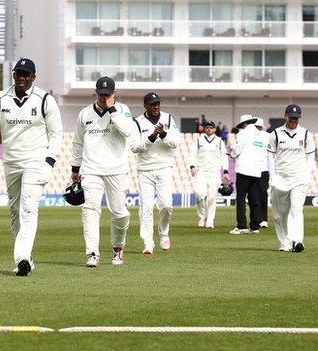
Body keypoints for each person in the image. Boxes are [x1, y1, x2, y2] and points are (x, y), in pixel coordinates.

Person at [0, 57, 63, 276]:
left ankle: (22, 257)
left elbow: (56, 134)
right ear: (13, 75)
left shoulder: (45, 100)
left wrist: (49, 161)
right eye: (18, 74)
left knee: (28, 208)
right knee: (15, 212)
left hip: (36, 161)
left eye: (26, 75)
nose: (22, 78)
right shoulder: (0, 98)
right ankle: (27, 258)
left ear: (33, 77)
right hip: (11, 162)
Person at [70, 77, 133, 267]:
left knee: (120, 213)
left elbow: (127, 131)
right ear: (95, 93)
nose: (104, 97)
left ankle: (118, 248)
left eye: (107, 94)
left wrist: (112, 110)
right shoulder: (84, 114)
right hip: (91, 169)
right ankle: (92, 254)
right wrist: (75, 168)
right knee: (90, 209)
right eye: (101, 94)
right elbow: (78, 142)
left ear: (114, 94)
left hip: (117, 169)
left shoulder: (123, 110)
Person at [130, 92, 179, 254]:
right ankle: (148, 242)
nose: (156, 106)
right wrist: (151, 137)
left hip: (164, 168)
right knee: (146, 207)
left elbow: (175, 142)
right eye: (152, 104)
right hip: (145, 170)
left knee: (166, 205)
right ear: (145, 106)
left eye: (158, 103)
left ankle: (164, 233)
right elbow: (134, 147)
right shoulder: (137, 122)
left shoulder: (168, 119)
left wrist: (163, 134)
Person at [267, 105, 315, 252]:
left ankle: (297, 241)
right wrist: (273, 176)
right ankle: (285, 243)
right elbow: (270, 155)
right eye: (291, 117)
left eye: (296, 117)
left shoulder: (306, 134)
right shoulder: (275, 134)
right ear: (285, 116)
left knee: (296, 208)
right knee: (279, 214)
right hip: (280, 178)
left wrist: (307, 175)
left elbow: (310, 155)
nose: (293, 120)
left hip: (299, 178)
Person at [229, 114, 266, 234]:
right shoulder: (260, 135)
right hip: (257, 170)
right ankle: (255, 227)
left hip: (244, 169)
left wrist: (232, 154)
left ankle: (242, 226)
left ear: (243, 124)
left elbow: (237, 151)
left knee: (241, 198)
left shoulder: (242, 134)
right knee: (254, 198)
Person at [189, 121, 230, 228]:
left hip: (215, 172)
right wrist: (192, 166)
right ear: (204, 129)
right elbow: (192, 154)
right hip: (201, 172)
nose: (209, 129)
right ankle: (202, 216)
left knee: (211, 197)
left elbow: (224, 157)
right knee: (199, 194)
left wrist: (225, 171)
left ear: (215, 129)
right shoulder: (199, 140)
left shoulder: (219, 141)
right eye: (207, 127)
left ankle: (210, 221)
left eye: (211, 127)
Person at [254, 117, 270, 228]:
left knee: (262, 193)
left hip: (264, 168)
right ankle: (257, 219)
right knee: (254, 195)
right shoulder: (250, 136)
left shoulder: (268, 136)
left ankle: (263, 219)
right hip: (252, 169)